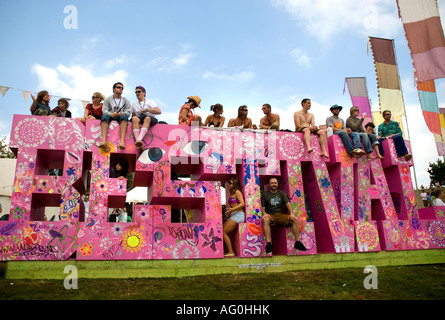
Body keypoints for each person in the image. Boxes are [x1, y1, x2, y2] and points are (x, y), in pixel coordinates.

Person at [261, 177, 307, 254]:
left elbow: (288, 204)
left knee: (295, 219)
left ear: (277, 184)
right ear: (269, 185)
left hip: (280, 215)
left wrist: (291, 213)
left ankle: (298, 242)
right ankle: (269, 244)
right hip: (271, 216)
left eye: (275, 183)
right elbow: (262, 206)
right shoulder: (265, 194)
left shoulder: (281, 193)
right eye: (272, 183)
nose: (274, 184)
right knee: (265, 219)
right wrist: (265, 214)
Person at [100, 82, 132, 151]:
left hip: (121, 116)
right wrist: (111, 114)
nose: (121, 89)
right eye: (118, 87)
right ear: (114, 89)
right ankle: (103, 141)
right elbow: (104, 110)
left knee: (124, 118)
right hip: (110, 115)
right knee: (104, 117)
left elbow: (128, 112)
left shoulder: (126, 100)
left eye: (122, 88)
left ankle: (122, 142)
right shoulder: (108, 99)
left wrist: (121, 113)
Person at [131, 85, 161, 150]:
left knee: (147, 118)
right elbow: (133, 115)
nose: (137, 93)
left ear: (144, 93)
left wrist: (147, 109)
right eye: (136, 92)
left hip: (150, 118)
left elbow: (159, 111)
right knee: (134, 118)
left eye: (139, 91)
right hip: (140, 118)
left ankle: (139, 139)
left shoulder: (150, 102)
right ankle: (138, 142)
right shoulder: (134, 103)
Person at [223, 178, 245, 257]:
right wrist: (229, 213)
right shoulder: (231, 193)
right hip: (233, 215)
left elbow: (242, 204)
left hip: (238, 215)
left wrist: (232, 209)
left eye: (230, 183)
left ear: (234, 184)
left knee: (223, 232)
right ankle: (228, 250)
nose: (228, 185)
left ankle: (231, 252)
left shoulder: (237, 192)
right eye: (228, 183)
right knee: (221, 231)